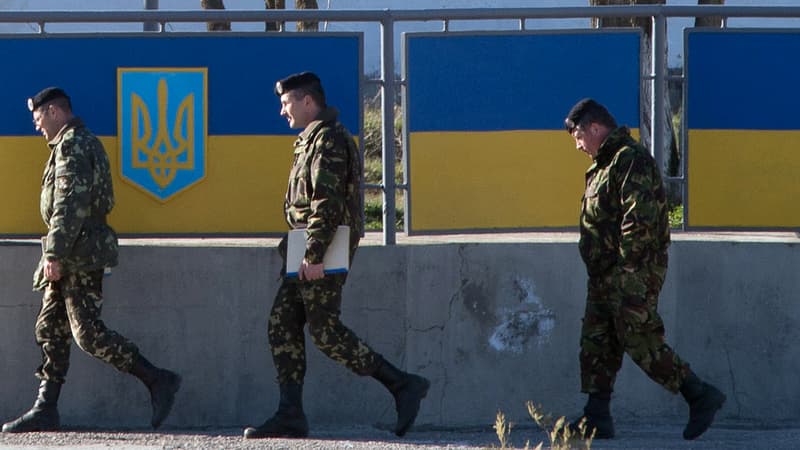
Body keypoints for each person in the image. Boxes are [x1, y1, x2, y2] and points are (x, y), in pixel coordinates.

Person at [243, 72, 429, 439]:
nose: (283, 111)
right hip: (306, 248)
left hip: (321, 250)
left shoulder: (328, 140)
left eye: (286, 103)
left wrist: (313, 255)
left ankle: (402, 384)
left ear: (307, 101)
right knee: (282, 324)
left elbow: (326, 203)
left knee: (326, 332)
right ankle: (290, 413)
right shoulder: (310, 140)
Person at [2, 87, 181, 433]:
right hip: (72, 250)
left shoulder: (73, 145)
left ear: (54, 112)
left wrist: (54, 254)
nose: (36, 125)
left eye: (38, 117)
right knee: (51, 328)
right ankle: (46, 407)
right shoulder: (70, 144)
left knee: (87, 334)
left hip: (79, 254)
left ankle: (157, 379)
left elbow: (70, 205)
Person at [563, 98, 725, 440]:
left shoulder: (630, 161)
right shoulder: (602, 166)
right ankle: (596, 416)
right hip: (604, 274)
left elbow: (639, 223)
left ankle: (699, 394)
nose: (577, 145)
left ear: (595, 128)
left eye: (578, 135)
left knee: (640, 338)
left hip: (630, 272)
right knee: (597, 343)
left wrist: (627, 275)